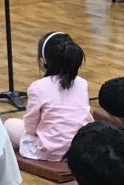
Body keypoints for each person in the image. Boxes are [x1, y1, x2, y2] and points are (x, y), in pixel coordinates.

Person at [5, 31, 93, 161]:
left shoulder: (38, 87)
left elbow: (30, 127)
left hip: (50, 150)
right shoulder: (82, 83)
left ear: (42, 61)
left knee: (10, 124)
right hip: (80, 147)